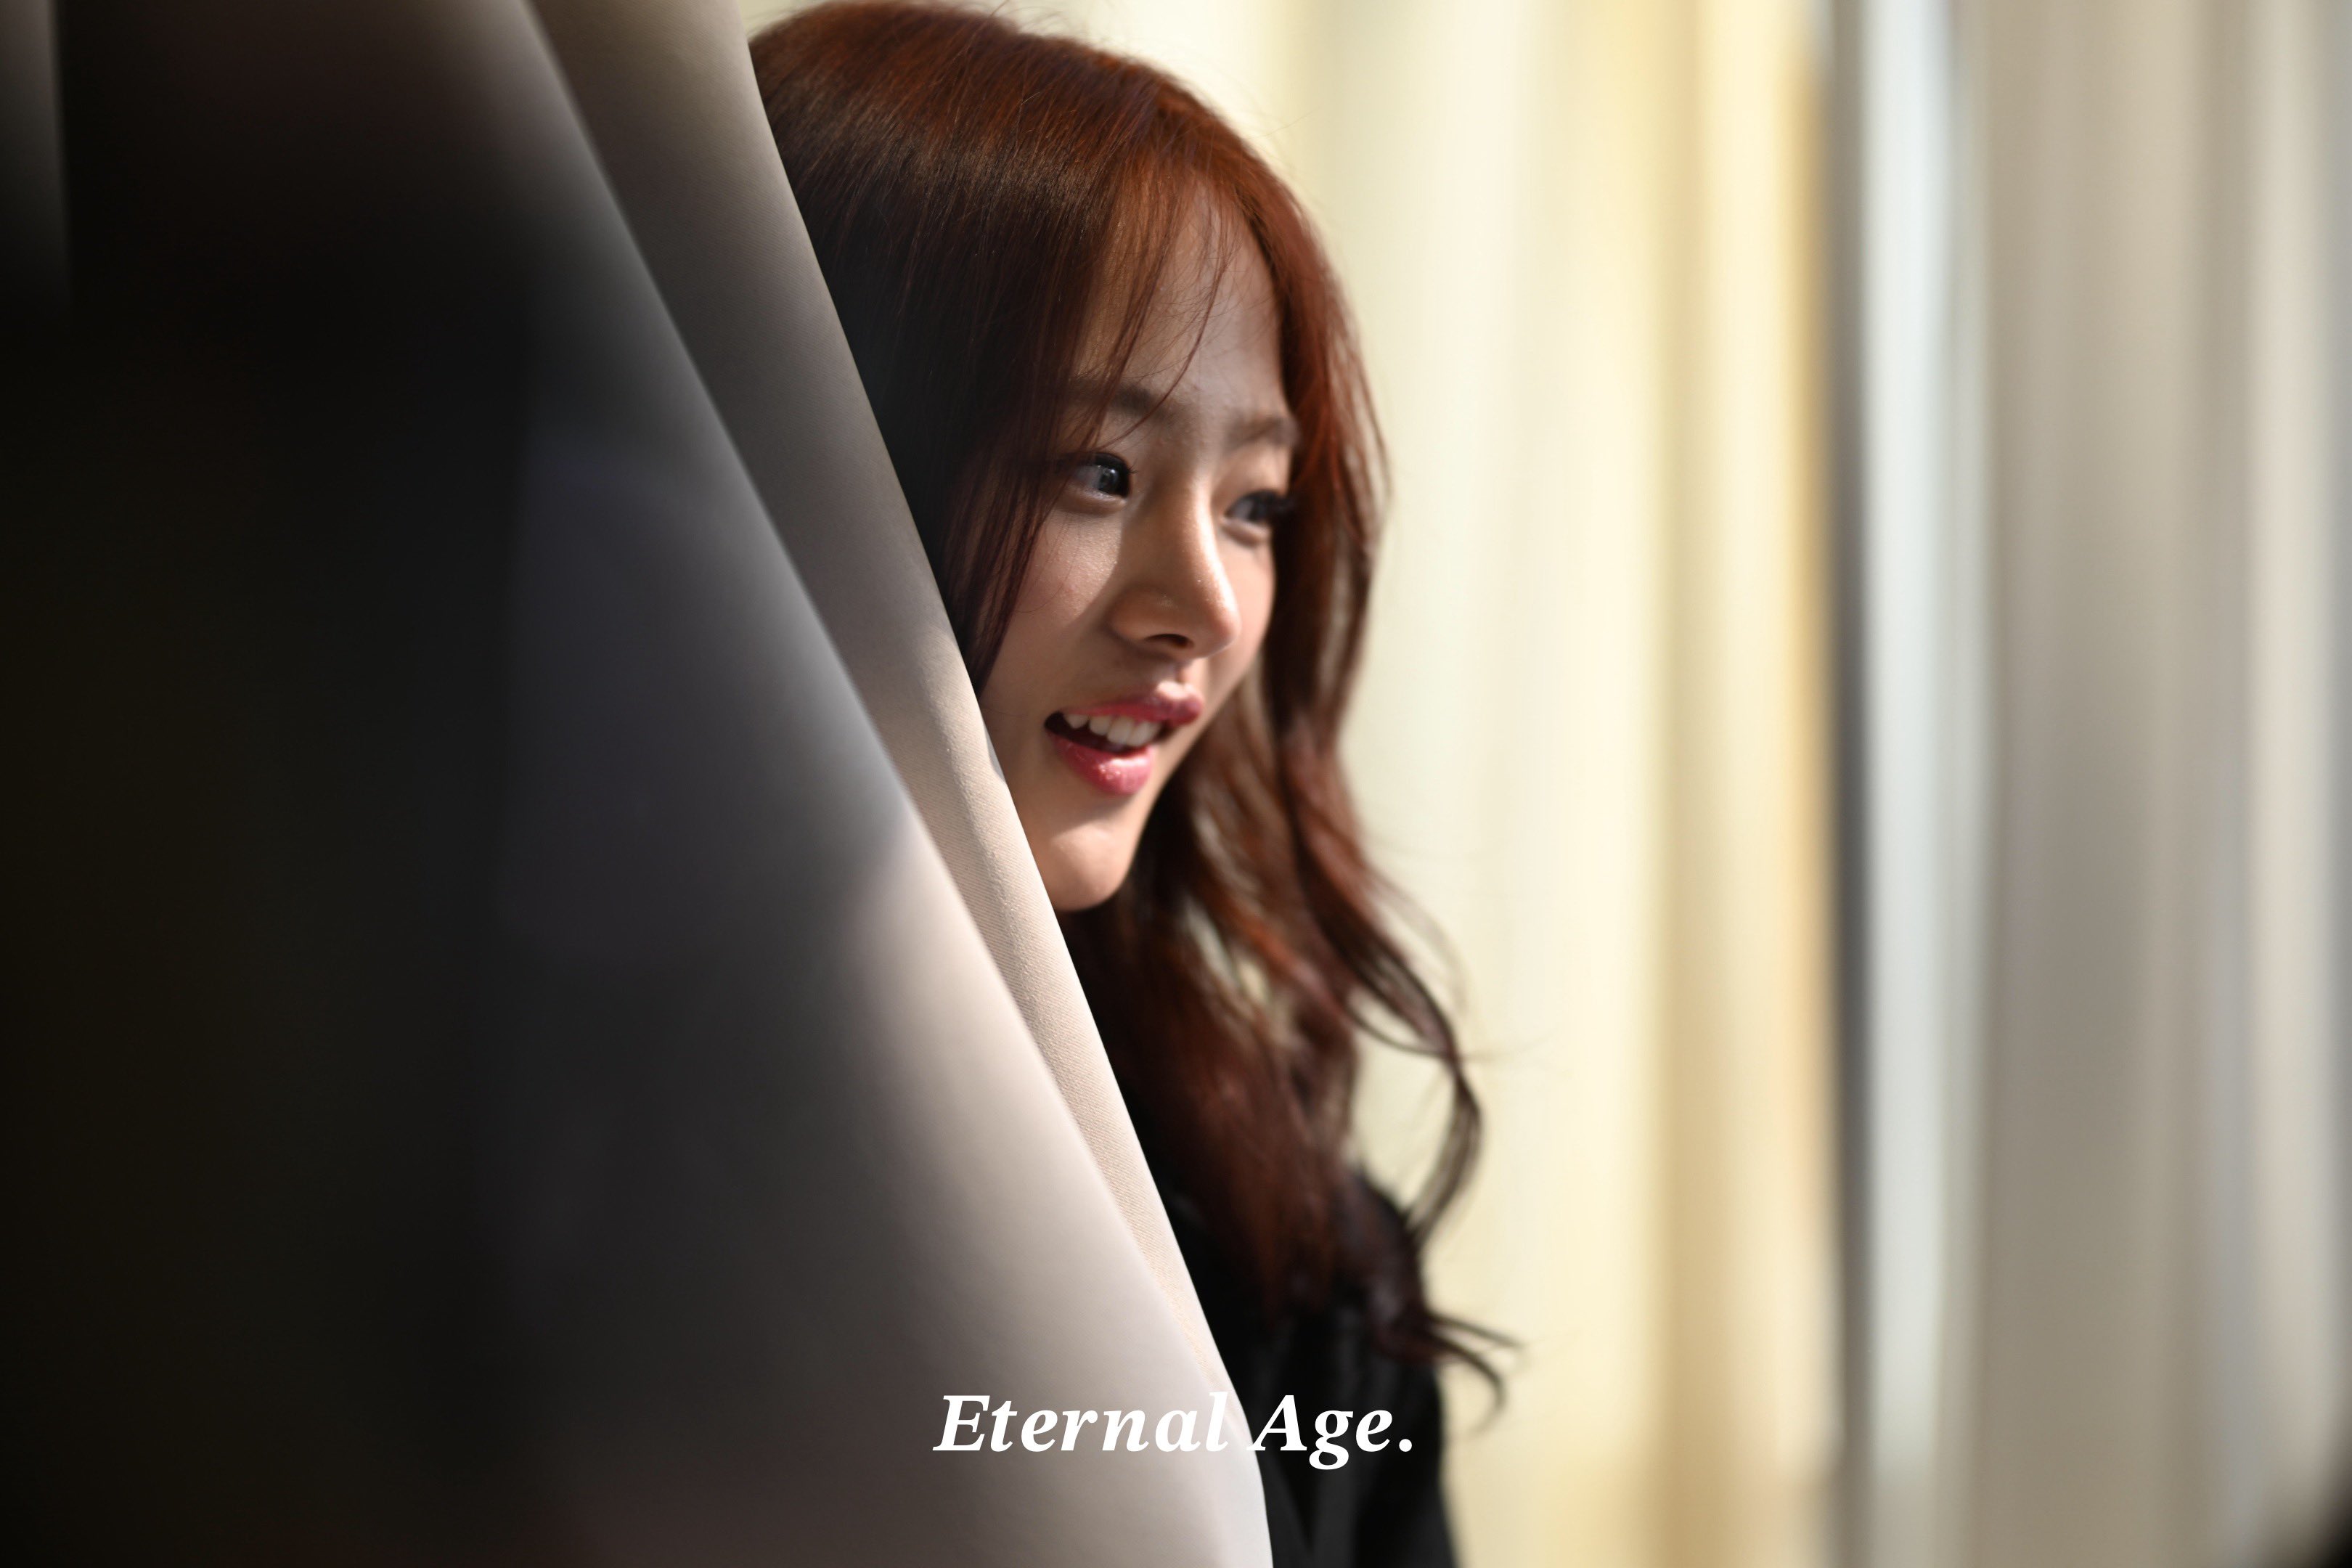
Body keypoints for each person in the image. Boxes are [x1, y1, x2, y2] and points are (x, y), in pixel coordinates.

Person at [751, 7, 1490, 1563]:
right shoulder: (491, 1195)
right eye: (1101, 470)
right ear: (821, 458)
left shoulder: (1299, 1259)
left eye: (1257, 504)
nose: (1207, 607)